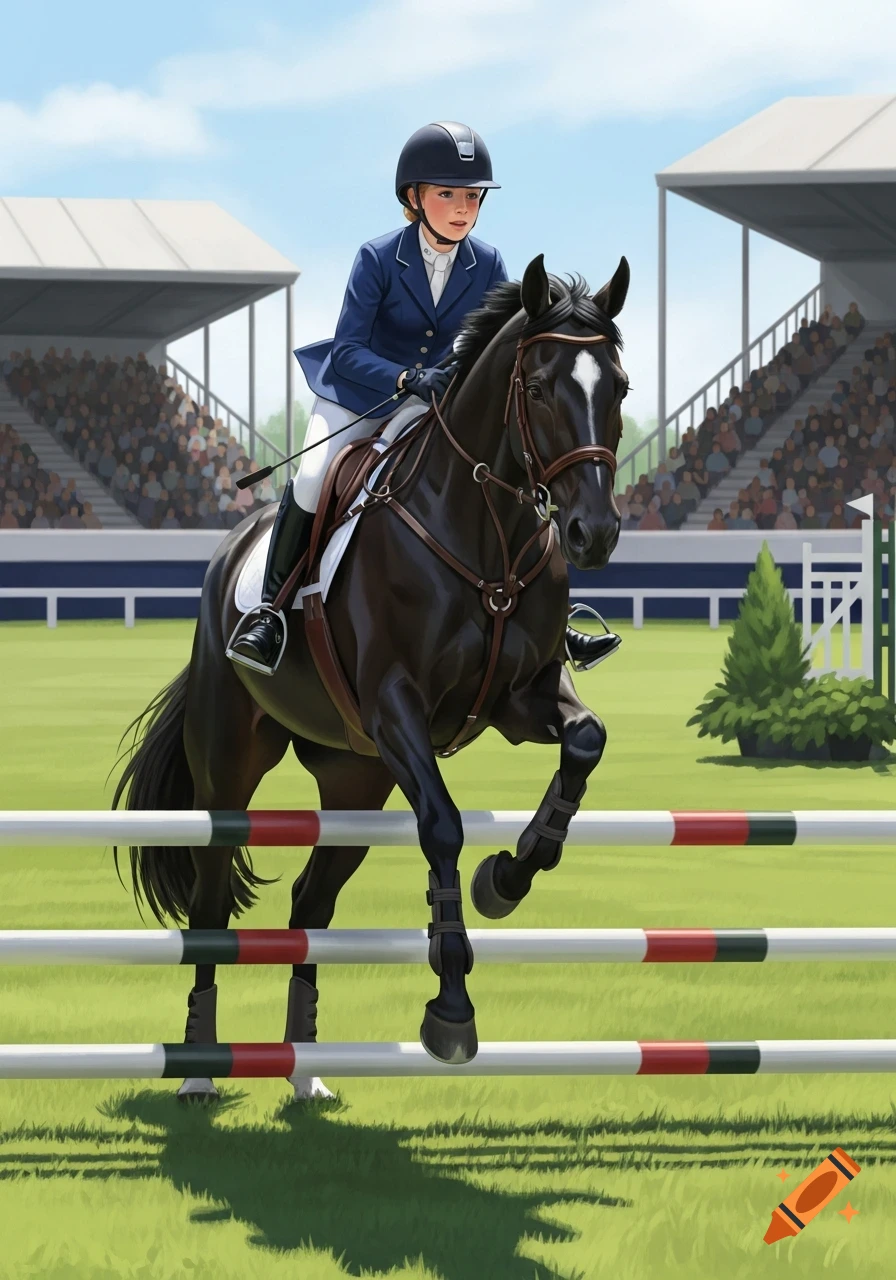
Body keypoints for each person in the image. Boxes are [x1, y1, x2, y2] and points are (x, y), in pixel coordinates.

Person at [228, 121, 621, 676]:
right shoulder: (379, 257)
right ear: (414, 197)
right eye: (447, 194)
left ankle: (550, 625)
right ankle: (270, 613)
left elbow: (497, 353)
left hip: (431, 402)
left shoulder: (488, 264)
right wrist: (404, 378)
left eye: (471, 196)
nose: (462, 208)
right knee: (314, 475)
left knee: (515, 475)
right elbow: (345, 352)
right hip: (358, 397)